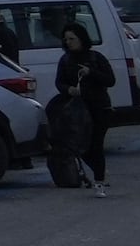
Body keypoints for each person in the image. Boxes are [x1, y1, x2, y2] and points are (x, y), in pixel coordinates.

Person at [51, 21, 118, 196]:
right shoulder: (65, 60)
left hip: (99, 107)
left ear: (81, 39)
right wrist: (69, 89)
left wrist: (91, 72)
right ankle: (99, 171)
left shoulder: (96, 57)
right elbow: (59, 82)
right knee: (80, 146)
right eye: (66, 39)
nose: (68, 42)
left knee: (96, 144)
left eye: (72, 39)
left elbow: (110, 80)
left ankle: (99, 181)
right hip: (76, 110)